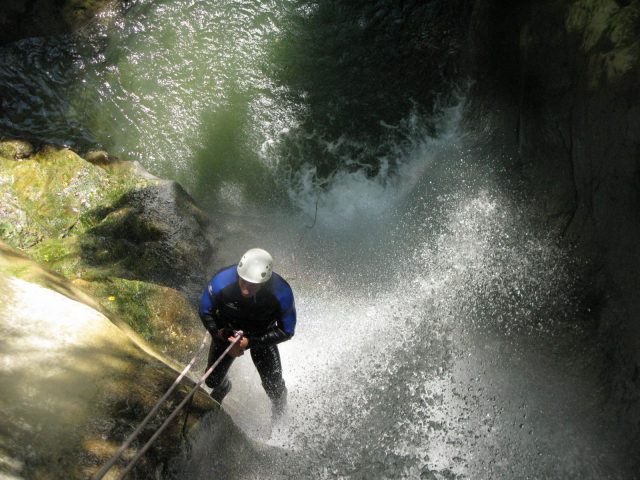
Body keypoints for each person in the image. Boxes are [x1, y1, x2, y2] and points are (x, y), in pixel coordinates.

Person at [198, 248, 296, 418]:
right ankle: (224, 387)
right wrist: (219, 334)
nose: (245, 290)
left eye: (253, 286)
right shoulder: (222, 281)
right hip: (228, 332)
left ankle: (280, 414)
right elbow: (205, 311)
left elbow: (287, 330)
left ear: (265, 282)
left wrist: (250, 342)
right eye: (243, 282)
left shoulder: (281, 292)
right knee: (212, 380)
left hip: (261, 336)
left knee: (274, 386)